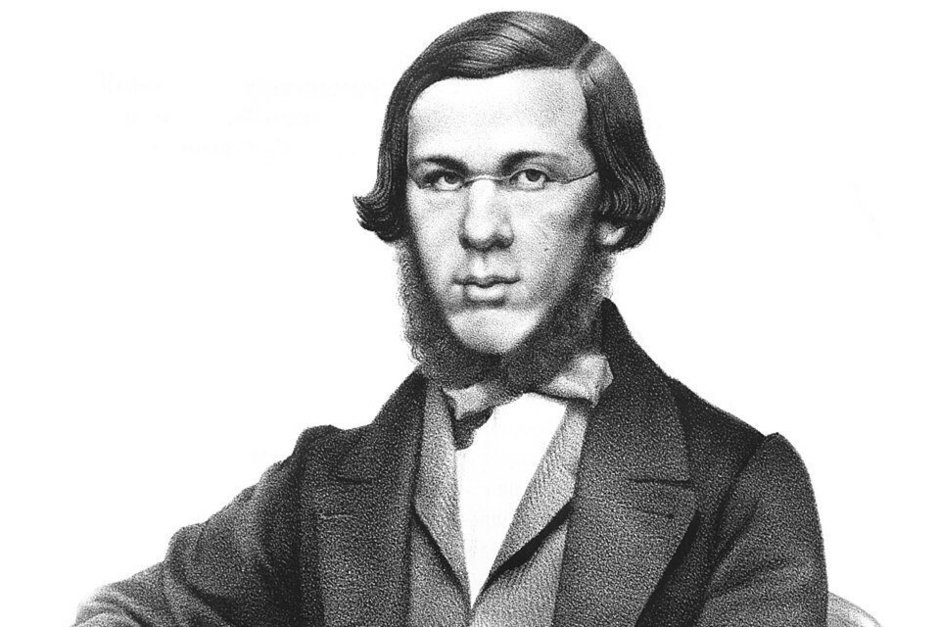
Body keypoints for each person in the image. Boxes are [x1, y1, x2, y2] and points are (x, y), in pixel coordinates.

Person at [75, 11, 827, 627]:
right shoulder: (317, 484)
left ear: (610, 205)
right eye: (442, 178)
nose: (480, 227)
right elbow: (124, 615)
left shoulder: (742, 488)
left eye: (529, 176)